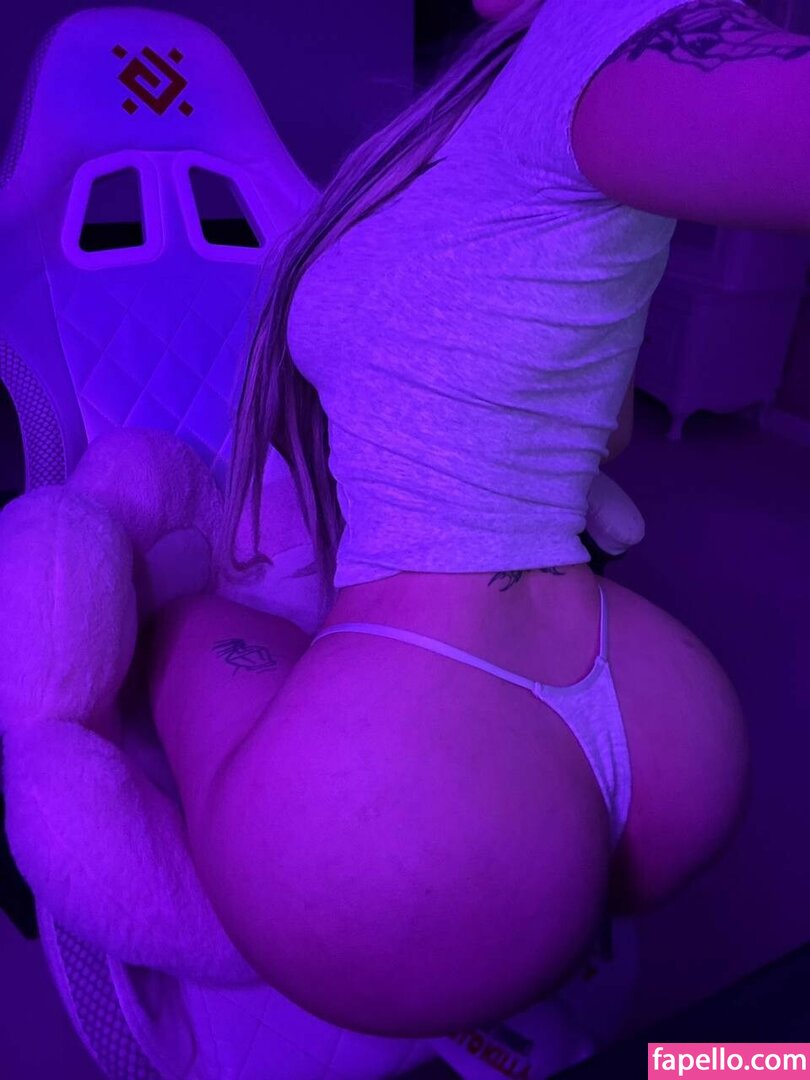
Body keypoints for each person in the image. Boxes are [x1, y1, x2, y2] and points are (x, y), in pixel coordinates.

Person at [145, 0, 760, 1041]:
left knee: (180, 623)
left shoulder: (600, 26)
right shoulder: (508, 104)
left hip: (414, 772)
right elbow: (599, 424)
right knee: (724, 1047)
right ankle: (695, 1029)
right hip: (658, 710)